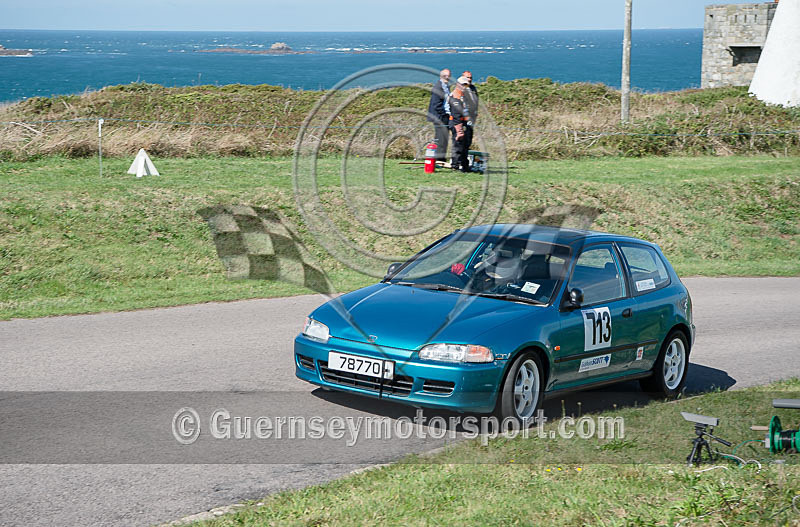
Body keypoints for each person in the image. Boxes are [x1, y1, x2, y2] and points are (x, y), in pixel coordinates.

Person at [447, 75, 474, 172]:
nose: (465, 86)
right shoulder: (455, 97)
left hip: (463, 122)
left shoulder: (463, 95)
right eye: (463, 84)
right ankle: (456, 165)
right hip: (456, 123)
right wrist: (459, 131)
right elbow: (456, 115)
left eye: (466, 85)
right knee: (458, 145)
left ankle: (464, 165)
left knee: (464, 145)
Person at [426, 69, 451, 162]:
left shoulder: (445, 86)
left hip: (444, 115)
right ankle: (439, 159)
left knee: (444, 138)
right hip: (439, 117)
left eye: (448, 75)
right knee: (440, 138)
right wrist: (444, 114)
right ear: (441, 76)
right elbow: (436, 105)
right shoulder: (438, 87)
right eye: (445, 75)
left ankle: (441, 158)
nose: (447, 77)